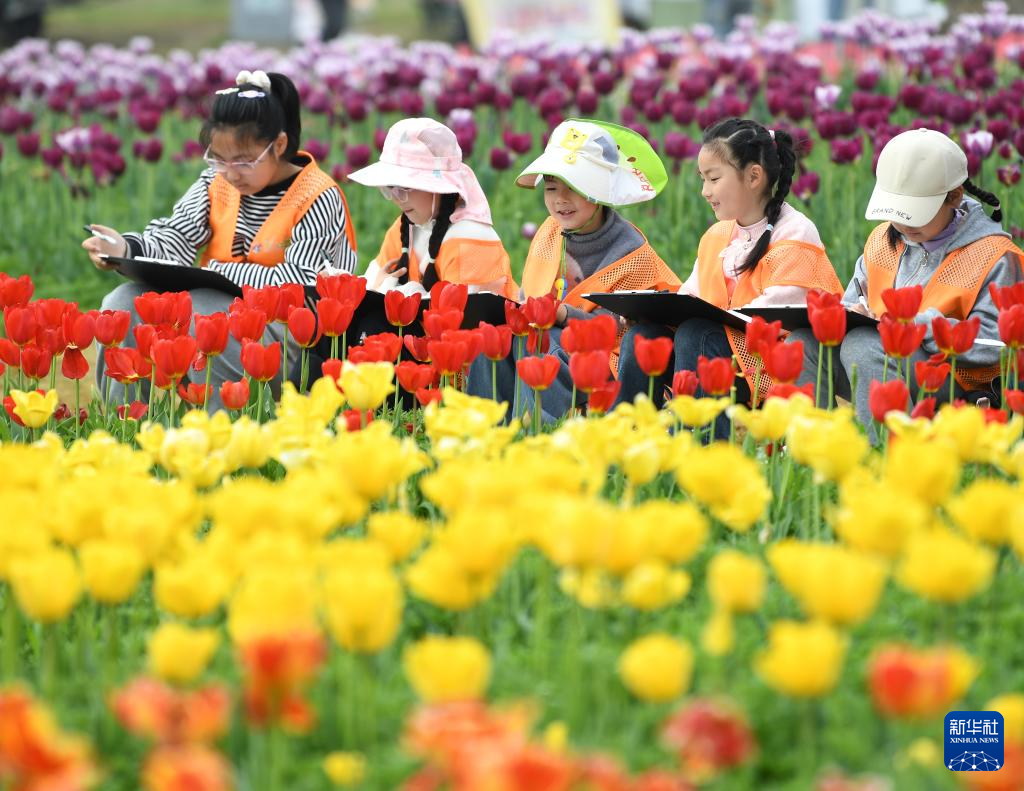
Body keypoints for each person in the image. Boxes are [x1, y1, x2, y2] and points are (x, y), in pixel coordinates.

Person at [82, 69, 357, 411]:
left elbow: (302, 283)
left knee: (204, 312)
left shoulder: (317, 195)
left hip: (294, 339)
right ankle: (124, 422)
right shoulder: (217, 182)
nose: (230, 172)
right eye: (219, 159)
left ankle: (222, 430)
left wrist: (218, 273)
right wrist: (124, 248)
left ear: (279, 145)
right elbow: (177, 235)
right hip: (216, 309)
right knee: (122, 303)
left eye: (243, 161)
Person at [788, 127, 1024, 438]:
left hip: (958, 383)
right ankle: (811, 451)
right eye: (896, 211)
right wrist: (851, 313)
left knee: (863, 345)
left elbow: (998, 345)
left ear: (954, 196)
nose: (902, 223)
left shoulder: (995, 255)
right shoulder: (882, 241)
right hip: (883, 363)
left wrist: (917, 326)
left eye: (915, 213)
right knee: (802, 344)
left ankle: (890, 454)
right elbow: (855, 297)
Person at [616, 117, 841, 438]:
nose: (705, 191)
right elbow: (691, 296)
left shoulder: (795, 232)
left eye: (714, 178)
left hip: (766, 364)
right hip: (715, 349)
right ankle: (625, 436)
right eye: (702, 179)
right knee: (644, 336)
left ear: (753, 177)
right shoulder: (718, 235)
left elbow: (777, 317)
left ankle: (702, 444)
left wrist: (704, 317)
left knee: (696, 332)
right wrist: (653, 313)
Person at [469, 118, 680, 422]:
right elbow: (530, 296)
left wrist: (563, 315)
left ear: (599, 192)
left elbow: (618, 332)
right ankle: (486, 429)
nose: (560, 200)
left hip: (603, 360)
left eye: (574, 188)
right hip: (550, 337)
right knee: (494, 340)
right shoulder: (549, 231)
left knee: (541, 345)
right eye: (551, 188)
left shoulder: (632, 252)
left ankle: (537, 432)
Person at [297, 117, 516, 386]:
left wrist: (402, 293)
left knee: (375, 328)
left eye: (406, 188)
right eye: (391, 188)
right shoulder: (405, 227)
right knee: (327, 327)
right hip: (415, 346)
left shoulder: (470, 239)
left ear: (440, 187)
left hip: (458, 369)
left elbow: (464, 326)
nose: (398, 198)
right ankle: (310, 398)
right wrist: (376, 284)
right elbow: (373, 284)